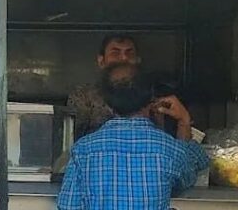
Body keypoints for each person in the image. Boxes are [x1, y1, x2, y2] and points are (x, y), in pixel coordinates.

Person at [57, 64, 209, 210]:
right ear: (150, 98)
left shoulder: (83, 149)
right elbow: (192, 171)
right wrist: (184, 121)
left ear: (108, 103)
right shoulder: (170, 149)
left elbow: (68, 206)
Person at [67, 34, 141, 138]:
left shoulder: (151, 93)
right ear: (101, 61)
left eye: (129, 53)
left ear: (138, 60)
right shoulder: (83, 95)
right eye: (115, 53)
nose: (124, 58)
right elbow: (73, 136)